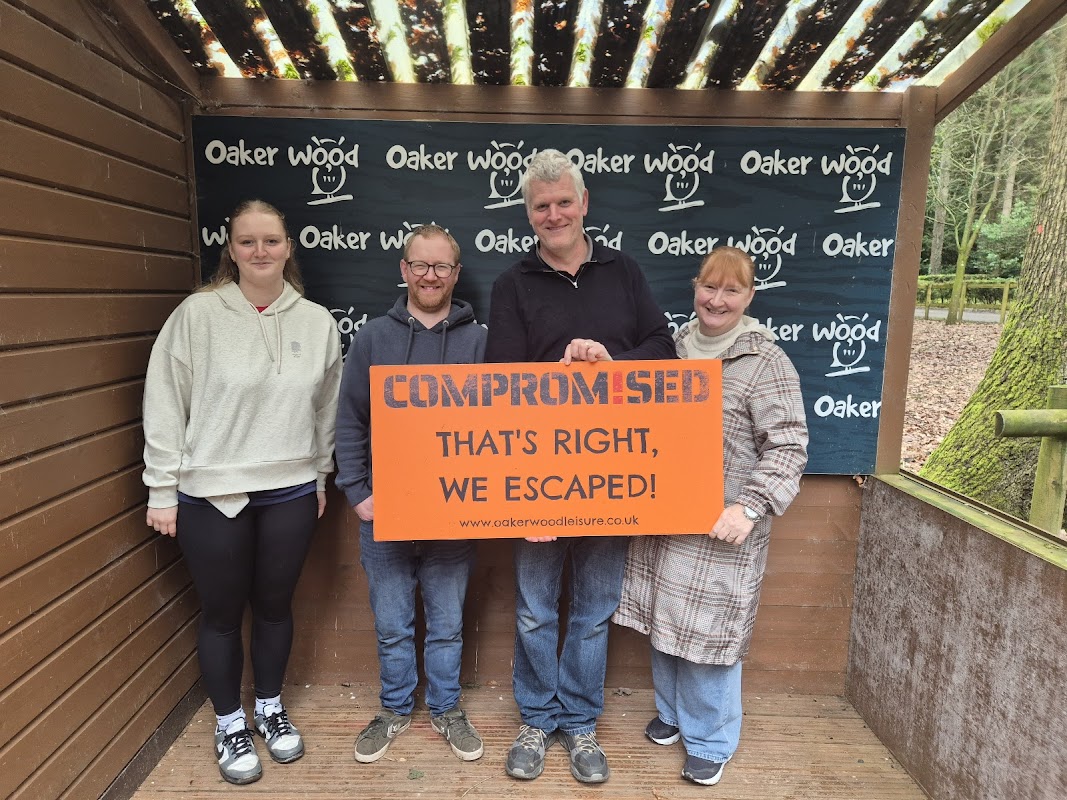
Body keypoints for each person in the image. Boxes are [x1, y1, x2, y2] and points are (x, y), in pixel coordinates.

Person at [485, 149, 677, 784]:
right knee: (536, 608)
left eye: (564, 202)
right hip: (535, 472)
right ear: (528, 213)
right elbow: (499, 378)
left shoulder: (624, 271)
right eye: (541, 206)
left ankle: (580, 722)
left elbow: (664, 347)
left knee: (594, 610)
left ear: (584, 203)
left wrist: (613, 366)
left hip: (613, 472)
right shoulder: (512, 284)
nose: (554, 214)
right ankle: (537, 720)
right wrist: (558, 374)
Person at [142, 199, 342, 785]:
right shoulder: (198, 316)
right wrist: (161, 489)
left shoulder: (316, 323)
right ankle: (230, 723)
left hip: (290, 490)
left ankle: (270, 708)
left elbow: (326, 411)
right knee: (223, 614)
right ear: (229, 249)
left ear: (288, 247)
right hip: (212, 493)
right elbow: (164, 400)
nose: (260, 251)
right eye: (247, 241)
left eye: (271, 240)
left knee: (276, 608)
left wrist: (320, 477)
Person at [613, 246, 808, 787]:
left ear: (750, 296)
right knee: (665, 620)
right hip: (666, 515)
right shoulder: (673, 347)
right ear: (695, 287)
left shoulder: (765, 361)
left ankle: (710, 739)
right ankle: (674, 713)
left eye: (731, 290)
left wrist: (750, 506)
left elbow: (789, 445)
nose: (717, 300)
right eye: (709, 287)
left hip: (723, 523)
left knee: (709, 633)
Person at [335, 224, 487, 765]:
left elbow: (505, 424)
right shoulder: (373, 338)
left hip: (453, 516)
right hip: (385, 513)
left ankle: (446, 709)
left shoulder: (480, 341)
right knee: (392, 626)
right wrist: (357, 491)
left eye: (441, 266)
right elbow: (350, 420)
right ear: (404, 269)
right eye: (420, 265)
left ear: (456, 274)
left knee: (446, 626)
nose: (430, 275)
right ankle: (395, 709)